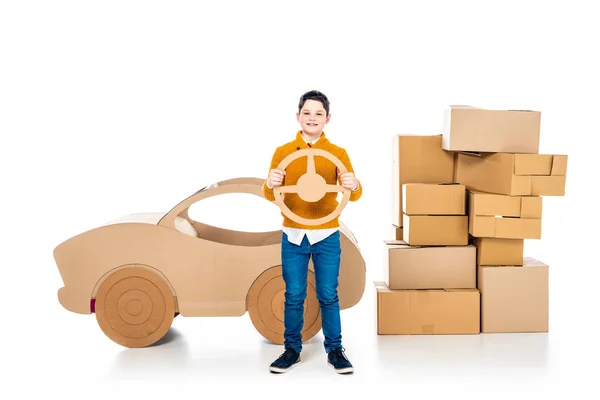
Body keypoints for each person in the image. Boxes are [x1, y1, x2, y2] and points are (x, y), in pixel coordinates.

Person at [261, 90, 362, 374]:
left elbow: (354, 194)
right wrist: (270, 182)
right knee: (293, 294)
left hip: (326, 235)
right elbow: (270, 194)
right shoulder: (282, 152)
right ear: (298, 116)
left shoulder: (338, 153)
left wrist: (354, 183)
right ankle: (291, 349)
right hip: (293, 235)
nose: (312, 118)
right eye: (307, 112)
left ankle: (335, 350)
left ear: (327, 118)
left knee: (328, 294)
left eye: (318, 113)